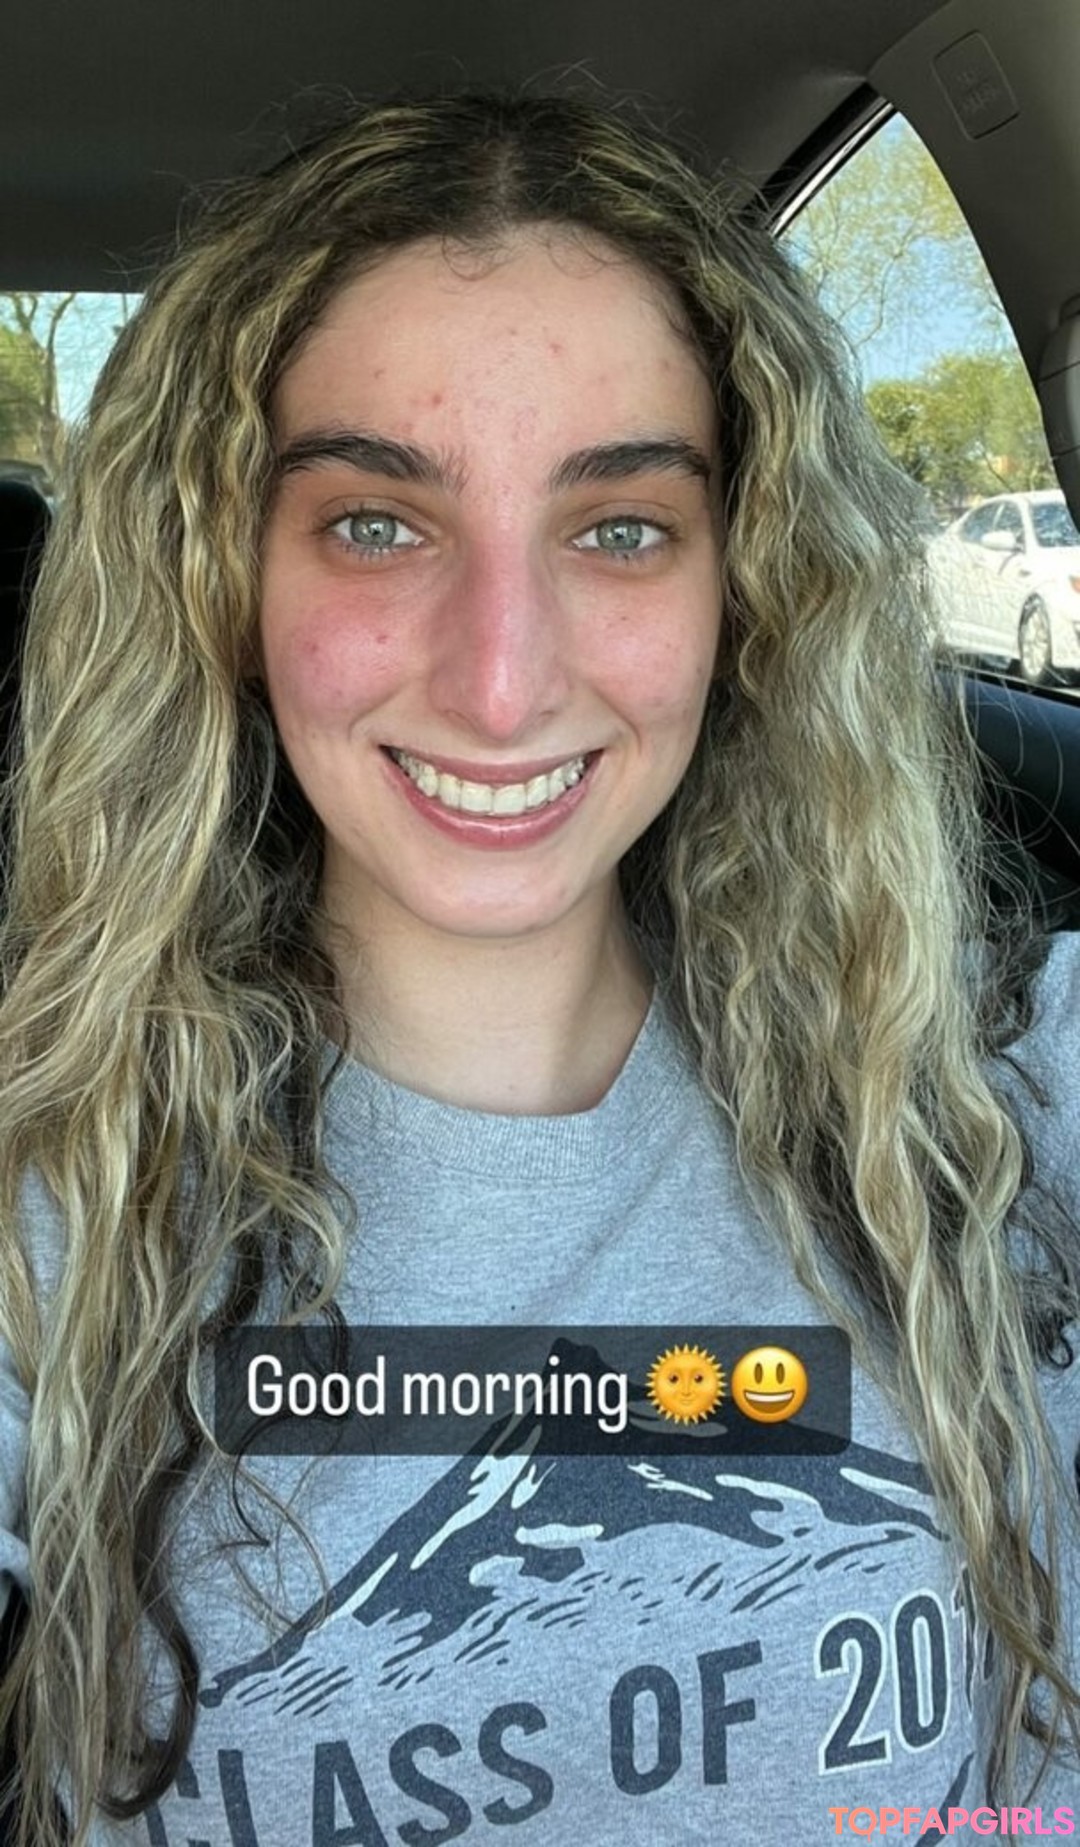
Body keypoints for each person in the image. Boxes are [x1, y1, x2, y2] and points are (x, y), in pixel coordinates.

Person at [0, 88, 1078, 1847]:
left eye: (620, 527)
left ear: (746, 586)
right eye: (376, 521)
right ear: (226, 580)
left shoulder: (1003, 1088)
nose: (501, 683)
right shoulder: (48, 1202)